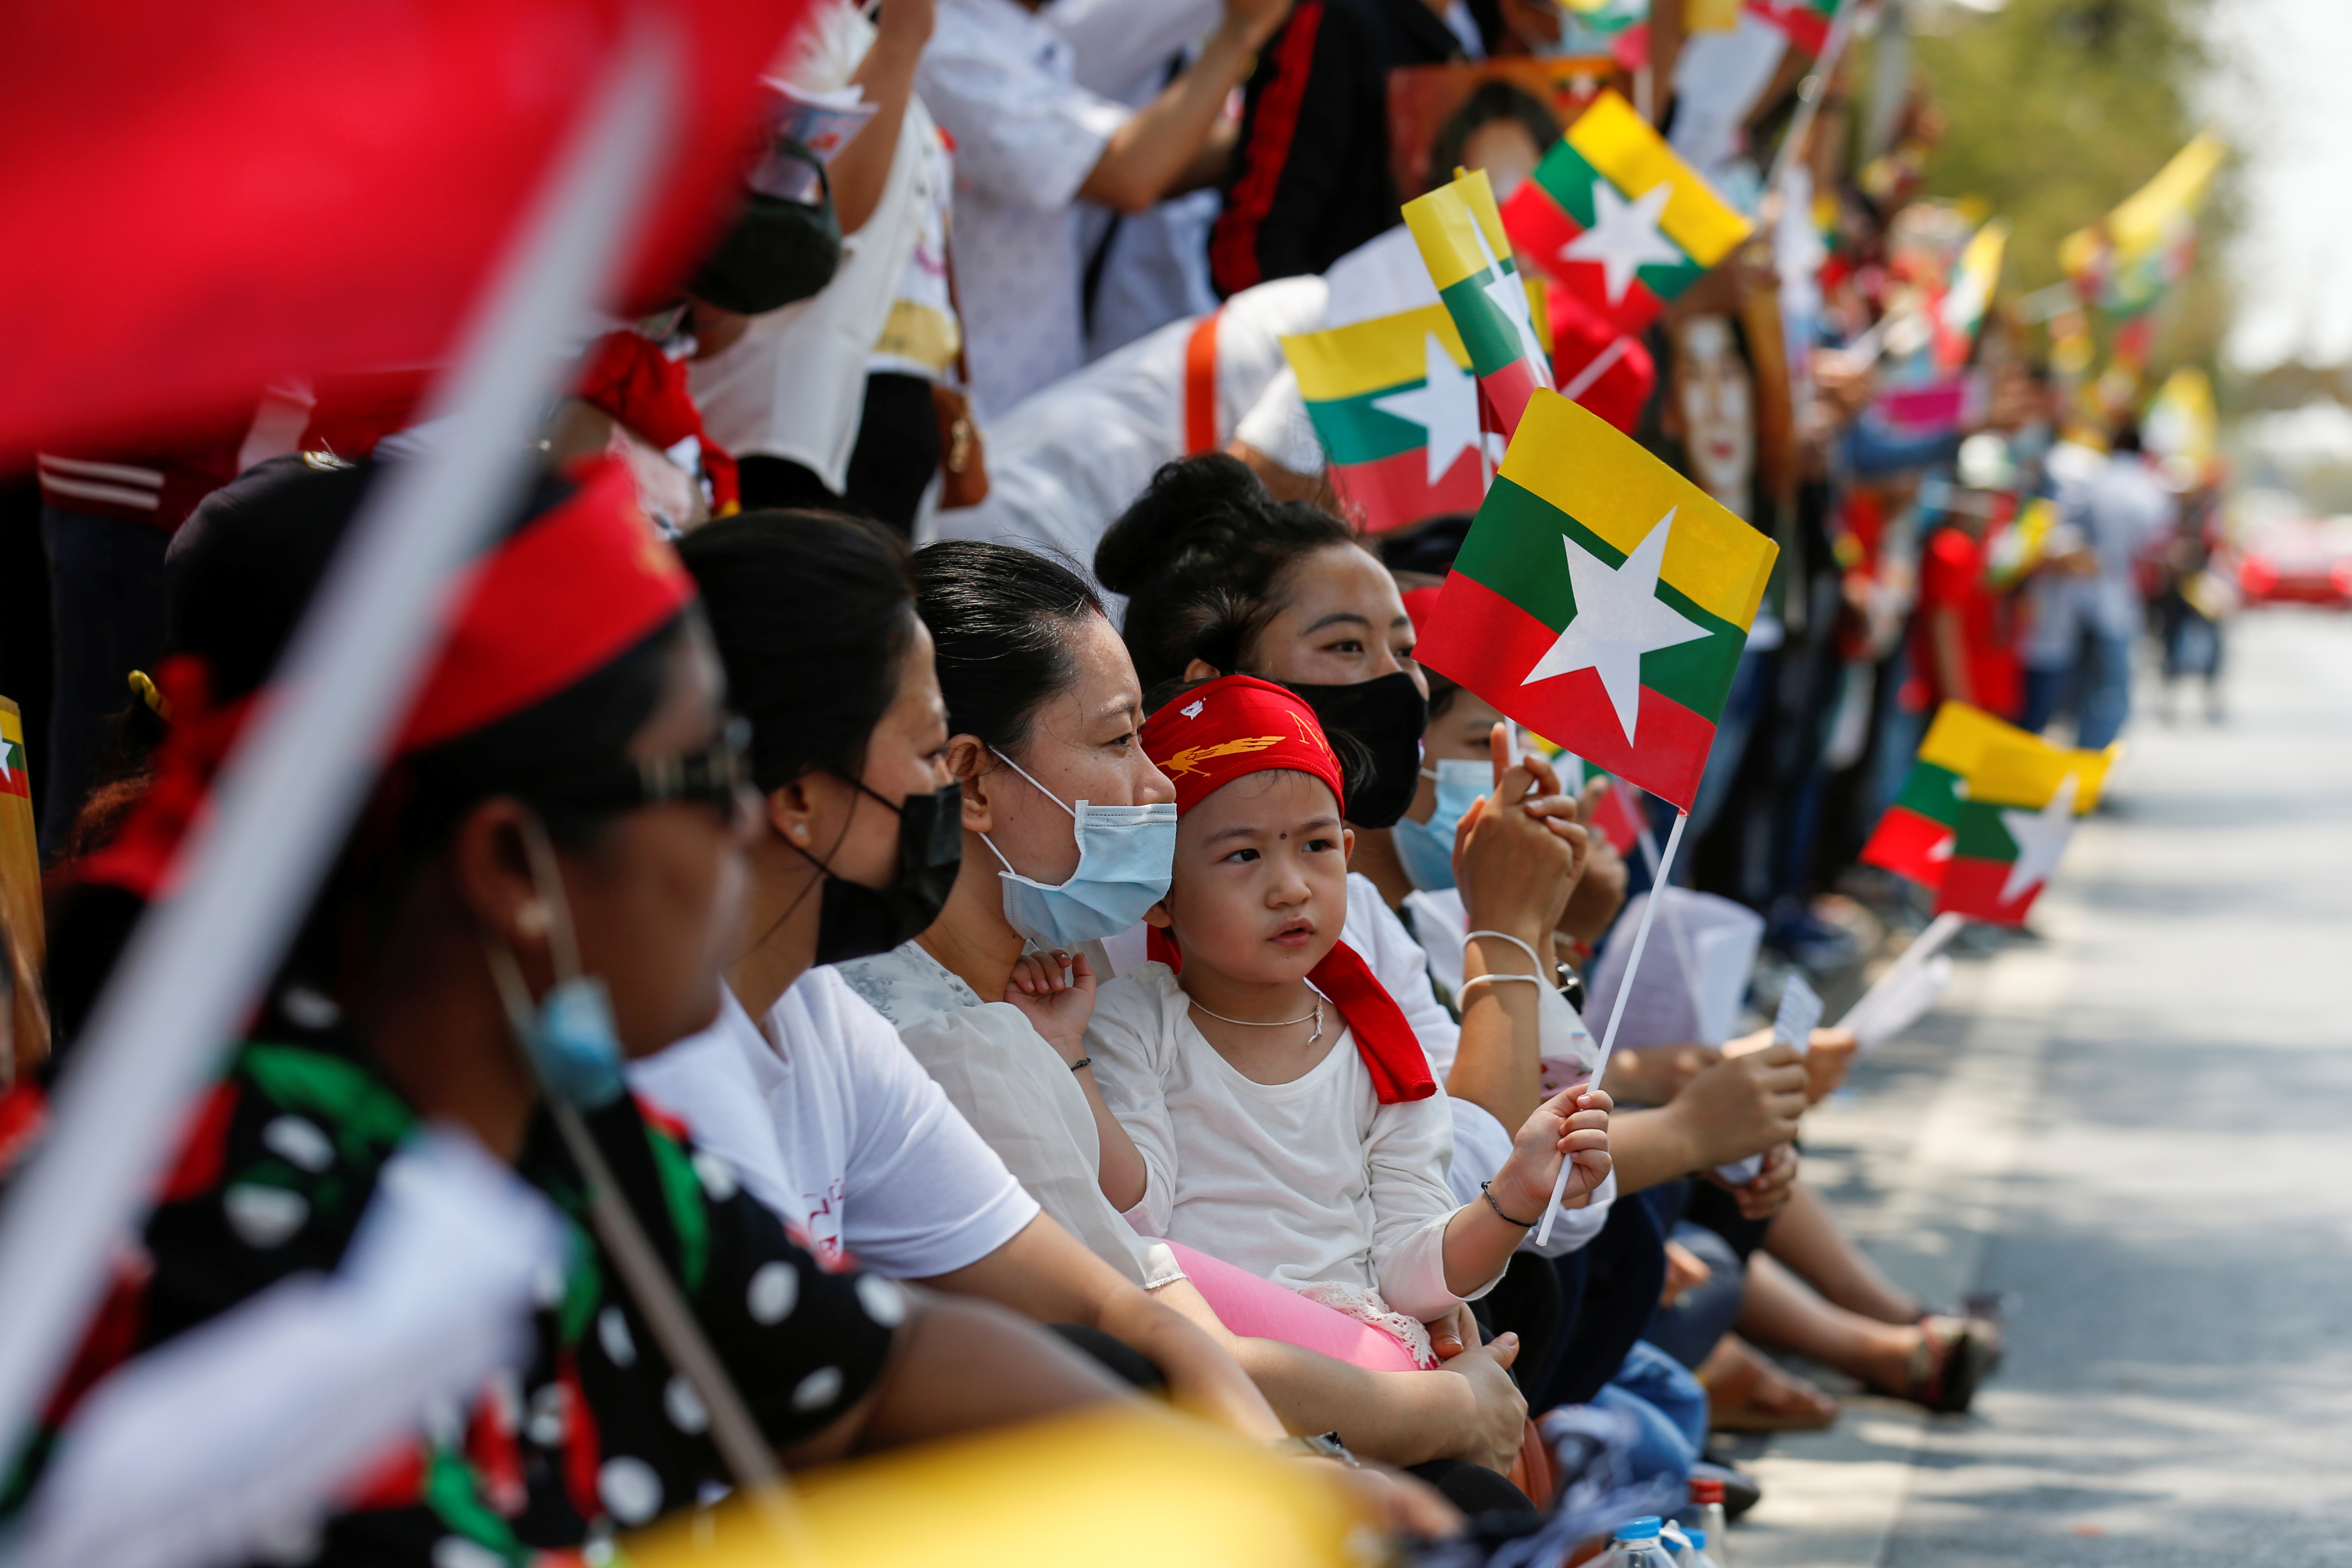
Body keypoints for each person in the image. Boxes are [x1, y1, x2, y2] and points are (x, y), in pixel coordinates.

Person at [7, 455, 1135, 1560]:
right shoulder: (226, 1300)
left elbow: (885, 1362)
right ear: (513, 864)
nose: (744, 832)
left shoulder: (567, 1134)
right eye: (702, 777)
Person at [836, 540, 1539, 1505]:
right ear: (976, 781)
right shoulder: (954, 1044)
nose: (1159, 786)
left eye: (1317, 845)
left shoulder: (958, 1012)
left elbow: (1161, 1315)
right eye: (1122, 740)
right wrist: (1439, 1414)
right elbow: (1141, 1335)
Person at [625, 510, 1282, 1438]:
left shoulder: (815, 1012)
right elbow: (819, 1411)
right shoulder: (666, 1067)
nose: (955, 787)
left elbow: (1111, 1311)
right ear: (800, 796)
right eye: (935, 750)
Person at [1083, 672, 1613, 1373]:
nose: (1291, 886)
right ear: (1159, 893)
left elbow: (1408, 1272)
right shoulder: (1134, 1021)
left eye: (1316, 847)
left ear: (1348, 855)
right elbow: (1135, 1216)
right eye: (1243, 855)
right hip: (1212, 1355)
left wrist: (1514, 1196)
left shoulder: (1383, 1049)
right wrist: (1069, 1059)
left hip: (1362, 1359)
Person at [918, 0, 1294, 418]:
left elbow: (1146, 155)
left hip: (1039, 385)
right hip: (979, 404)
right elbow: (1129, 174)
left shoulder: (1011, 30)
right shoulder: (947, 46)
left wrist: (1288, 130)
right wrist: (1240, 33)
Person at [925, 277, 1329, 572]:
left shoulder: (1358, 290)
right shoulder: (1371, 300)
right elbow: (1271, 490)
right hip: (1033, 529)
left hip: (1062, 529)